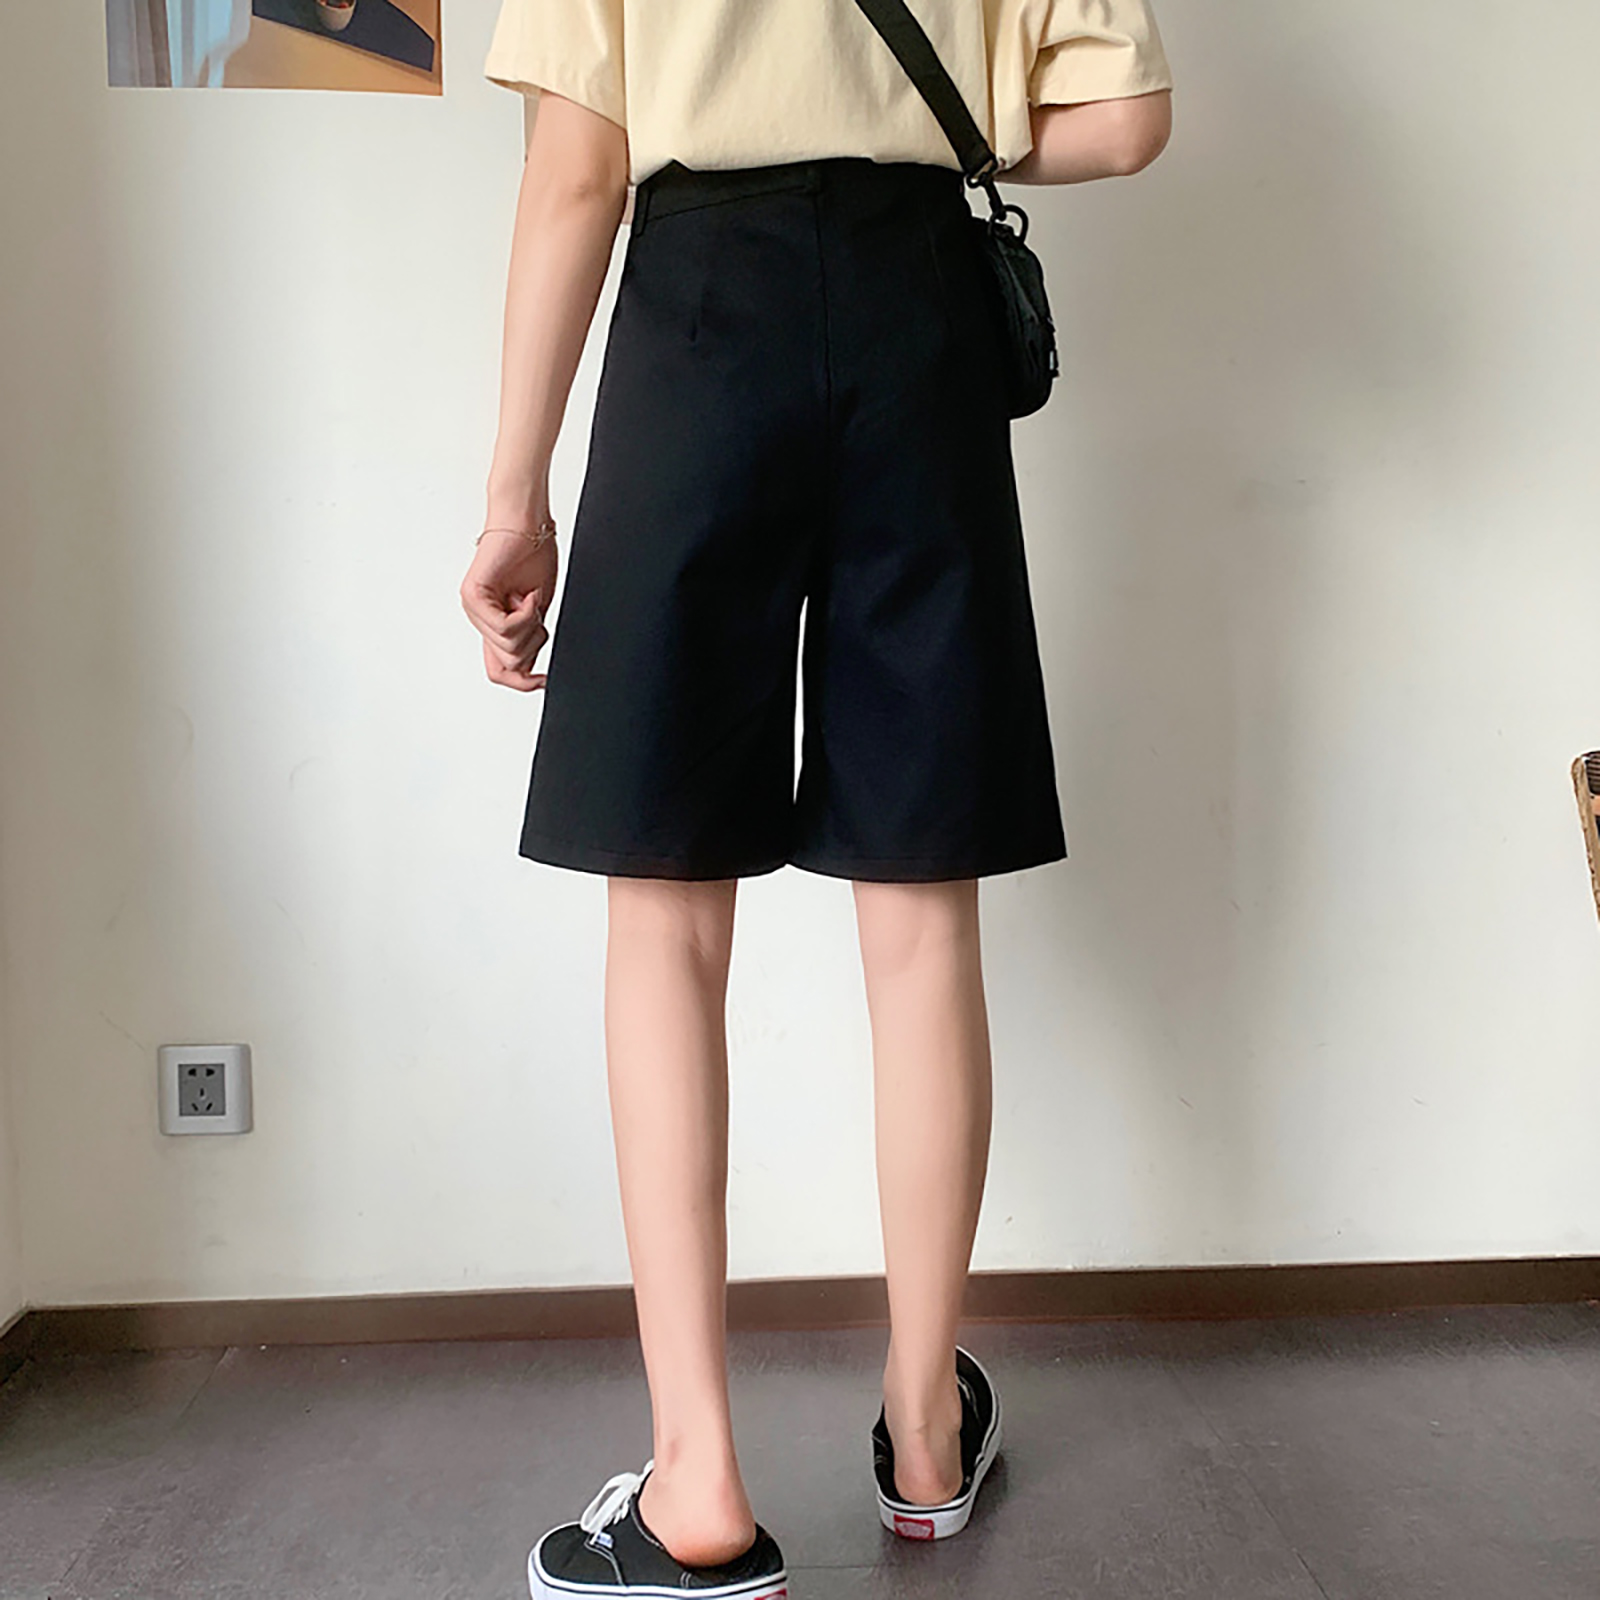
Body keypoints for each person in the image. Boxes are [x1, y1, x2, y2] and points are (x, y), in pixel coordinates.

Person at [463, 3, 1172, 1595]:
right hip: (921, 318)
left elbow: (577, 175)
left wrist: (515, 498)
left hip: (703, 314)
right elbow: (1127, 123)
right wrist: (925, 132)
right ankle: (923, 1435)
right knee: (921, 916)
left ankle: (697, 1490)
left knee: (665, 915)